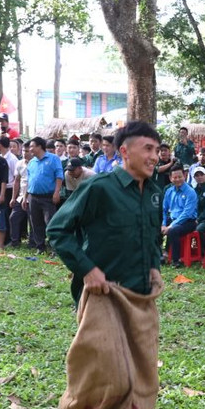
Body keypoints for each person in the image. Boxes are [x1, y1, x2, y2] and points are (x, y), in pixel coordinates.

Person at [49, 120, 163, 303]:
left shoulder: (154, 193)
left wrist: (154, 267)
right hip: (102, 294)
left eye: (157, 151)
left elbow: (153, 237)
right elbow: (57, 229)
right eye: (148, 149)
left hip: (141, 296)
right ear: (124, 151)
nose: (154, 157)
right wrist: (87, 270)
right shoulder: (99, 187)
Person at [25, 137, 64, 250]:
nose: (30, 149)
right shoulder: (31, 162)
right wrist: (25, 197)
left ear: (39, 146)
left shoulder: (53, 159)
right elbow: (29, 181)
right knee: (35, 223)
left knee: (50, 223)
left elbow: (59, 176)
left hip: (48, 197)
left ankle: (55, 248)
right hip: (33, 196)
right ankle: (40, 247)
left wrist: (56, 192)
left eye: (32, 146)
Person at [160, 163, 199, 266]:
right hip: (172, 219)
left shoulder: (190, 192)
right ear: (170, 178)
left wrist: (171, 226)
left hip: (188, 221)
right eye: (175, 177)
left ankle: (176, 260)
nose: (177, 179)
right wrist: (163, 224)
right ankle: (160, 255)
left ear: (184, 176)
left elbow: (187, 213)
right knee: (154, 226)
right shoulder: (169, 191)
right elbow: (163, 209)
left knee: (173, 231)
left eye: (180, 177)